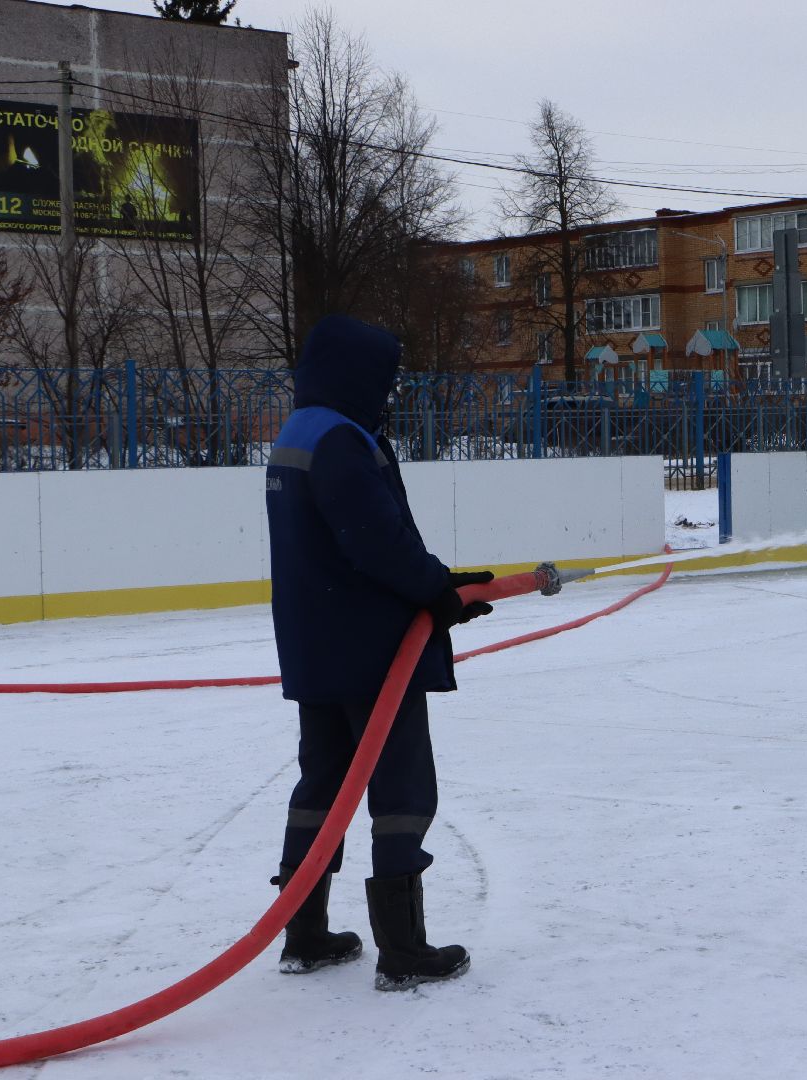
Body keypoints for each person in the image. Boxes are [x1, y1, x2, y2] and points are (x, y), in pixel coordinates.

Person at [264, 314, 494, 991]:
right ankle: (403, 948)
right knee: (400, 787)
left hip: (315, 641)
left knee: (323, 784)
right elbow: (374, 539)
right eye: (383, 379)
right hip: (372, 649)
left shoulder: (298, 432)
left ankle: (304, 933)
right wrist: (435, 591)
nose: (388, 392)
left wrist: (441, 589)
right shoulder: (340, 438)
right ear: (357, 376)